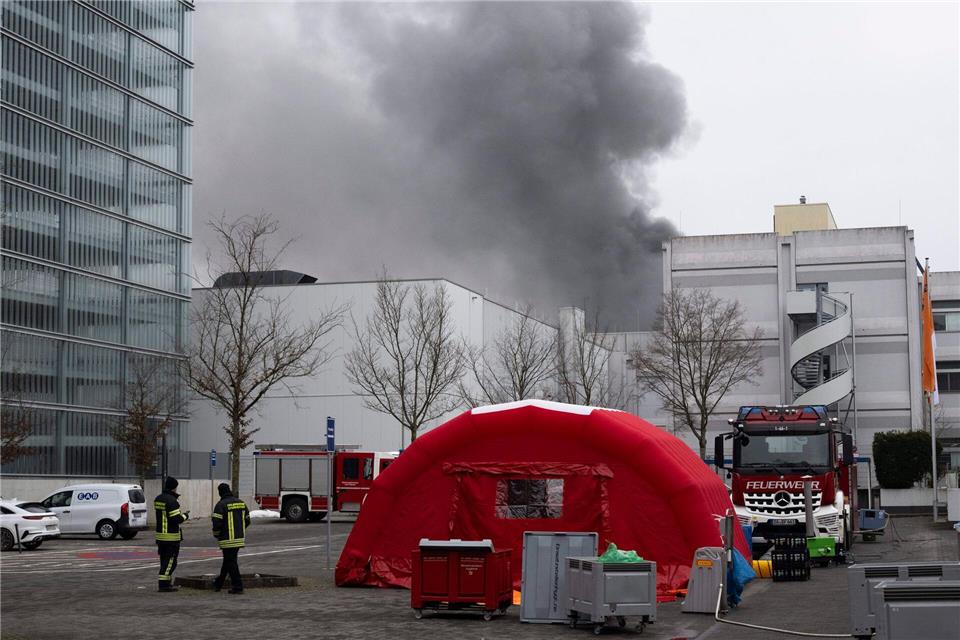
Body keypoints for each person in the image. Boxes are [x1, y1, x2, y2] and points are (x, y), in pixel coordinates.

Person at [211, 482, 251, 594]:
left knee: (231, 562)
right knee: (228, 561)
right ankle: (218, 583)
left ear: (220, 493)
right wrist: (239, 530)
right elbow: (247, 520)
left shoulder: (220, 505)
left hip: (227, 540)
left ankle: (238, 586)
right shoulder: (241, 503)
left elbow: (216, 524)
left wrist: (217, 535)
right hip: (238, 539)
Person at [154, 476, 188, 592]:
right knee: (171, 562)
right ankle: (164, 585)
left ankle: (167, 583)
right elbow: (176, 519)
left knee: (164, 560)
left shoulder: (158, 499)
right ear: (174, 487)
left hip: (160, 536)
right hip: (171, 536)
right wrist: (185, 516)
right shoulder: (172, 501)